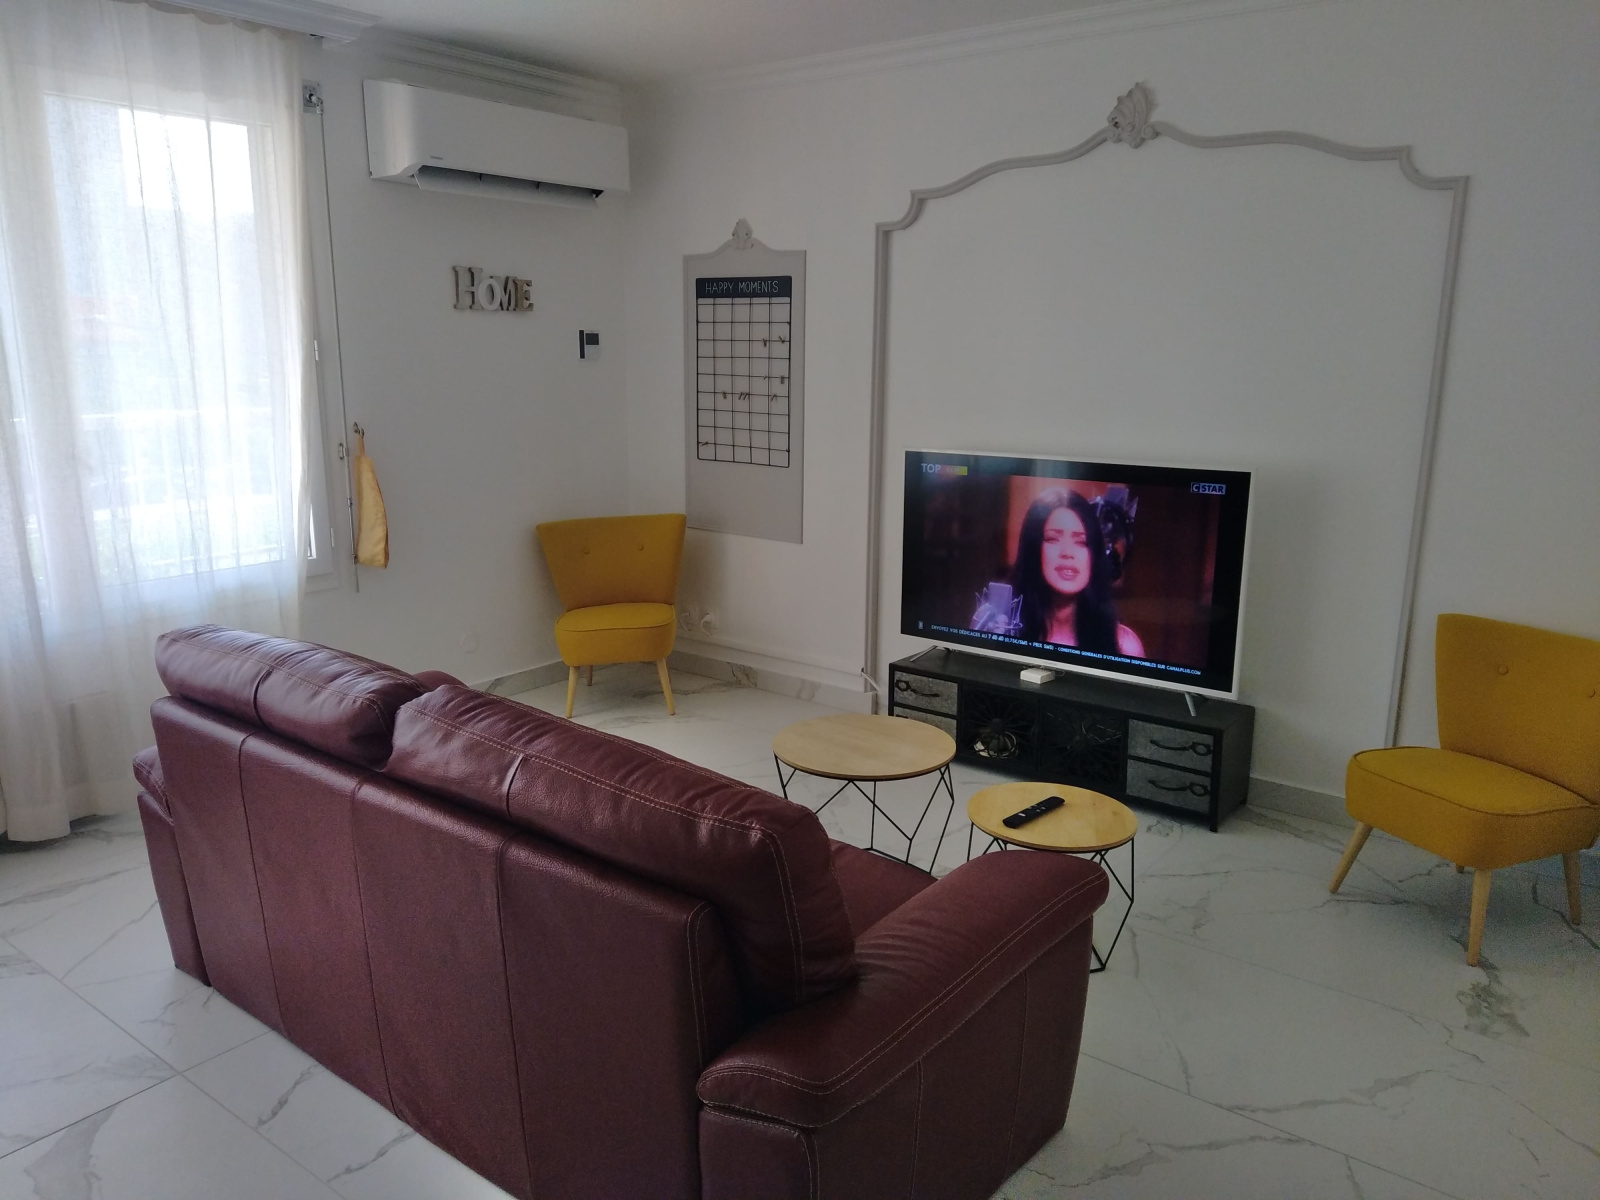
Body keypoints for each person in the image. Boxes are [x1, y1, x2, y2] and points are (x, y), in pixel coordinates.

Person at [1013, 488, 1145, 658]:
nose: (1067, 552)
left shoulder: (1124, 646)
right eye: (1053, 539)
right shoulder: (1003, 630)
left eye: (1081, 542)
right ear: (1033, 549)